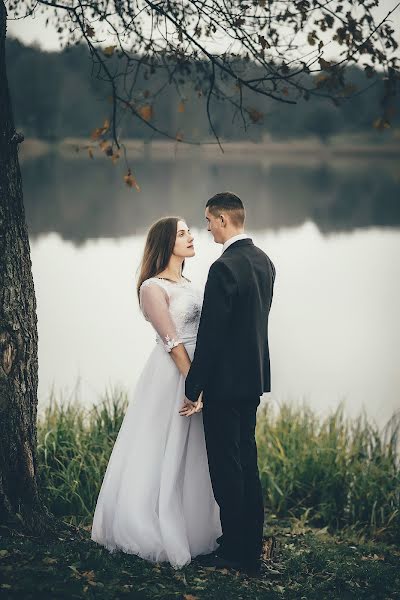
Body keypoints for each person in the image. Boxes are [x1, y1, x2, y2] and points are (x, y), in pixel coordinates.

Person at [91, 216, 221, 569]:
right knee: (162, 446)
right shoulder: (152, 287)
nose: (192, 236)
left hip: (197, 372)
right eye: (182, 234)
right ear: (166, 243)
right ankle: (149, 524)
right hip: (174, 374)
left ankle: (193, 527)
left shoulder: (190, 284)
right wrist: (192, 385)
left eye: (190, 231)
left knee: (192, 451)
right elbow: (171, 340)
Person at [181, 192, 276, 576]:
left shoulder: (224, 268)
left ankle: (236, 552)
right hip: (252, 380)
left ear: (222, 219)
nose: (205, 228)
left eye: (207, 220)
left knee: (226, 467)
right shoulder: (263, 262)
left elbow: (213, 335)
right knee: (247, 463)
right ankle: (248, 544)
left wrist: (193, 384)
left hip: (223, 385)